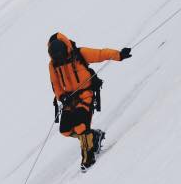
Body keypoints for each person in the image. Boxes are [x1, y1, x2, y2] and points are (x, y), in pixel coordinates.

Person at [48, 31, 131, 170]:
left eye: (61, 57)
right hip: (69, 99)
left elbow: (100, 54)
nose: (60, 60)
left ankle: (88, 157)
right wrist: (62, 97)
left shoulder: (78, 54)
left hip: (86, 94)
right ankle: (93, 136)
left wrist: (119, 55)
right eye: (57, 58)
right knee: (65, 130)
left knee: (81, 126)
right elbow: (55, 84)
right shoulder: (53, 65)